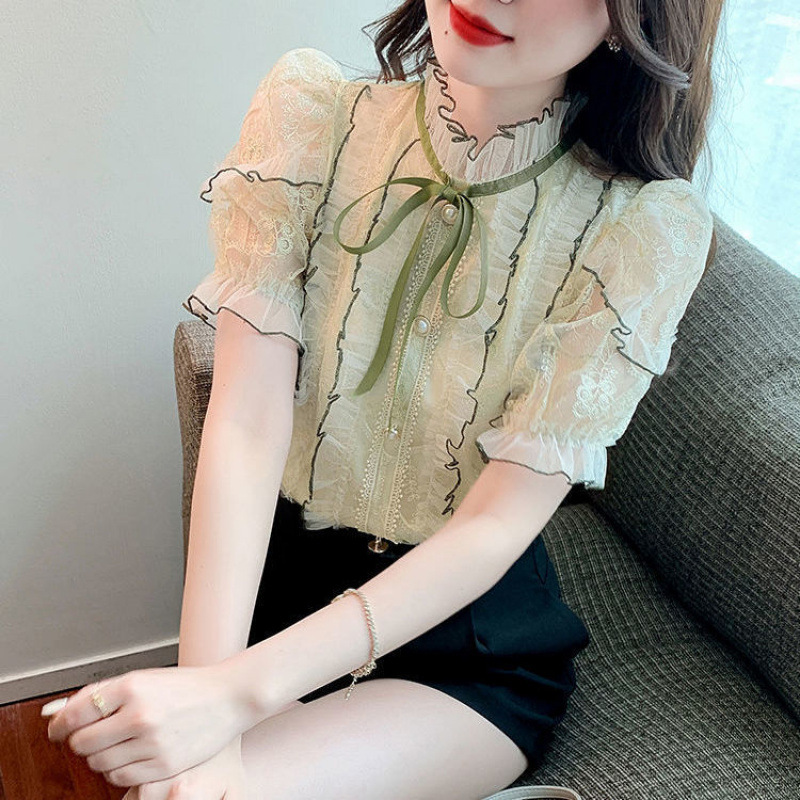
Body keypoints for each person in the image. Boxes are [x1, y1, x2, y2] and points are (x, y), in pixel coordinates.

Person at [45, 1, 724, 799]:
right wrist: (210, 694)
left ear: (628, 17)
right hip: (278, 606)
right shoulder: (313, 118)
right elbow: (245, 423)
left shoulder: (641, 230)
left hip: (467, 655)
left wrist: (228, 701)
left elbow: (496, 524)